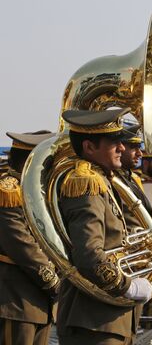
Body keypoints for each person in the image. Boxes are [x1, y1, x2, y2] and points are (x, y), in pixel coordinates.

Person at [57, 108, 152, 344]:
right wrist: (127, 285)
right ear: (90, 147)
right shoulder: (87, 184)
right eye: (113, 141)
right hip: (93, 321)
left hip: (106, 319)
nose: (122, 147)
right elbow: (89, 254)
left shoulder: (105, 180)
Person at [0, 130, 59, 345]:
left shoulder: (38, 192)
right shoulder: (9, 190)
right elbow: (21, 244)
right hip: (16, 300)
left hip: (38, 303)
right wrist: (55, 282)